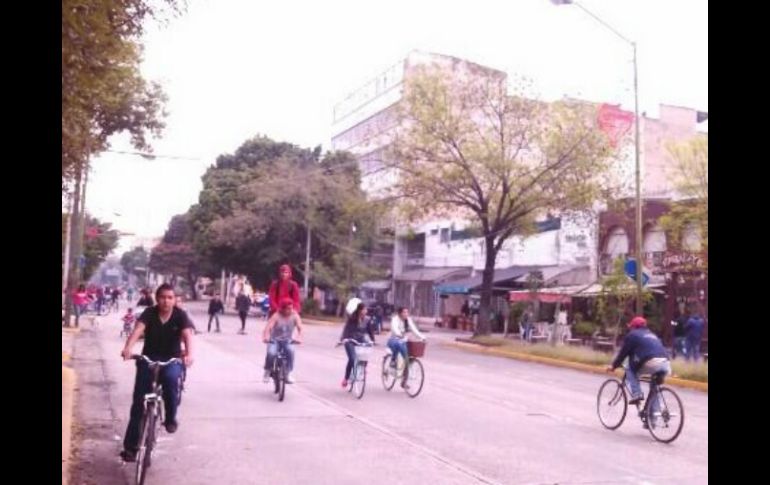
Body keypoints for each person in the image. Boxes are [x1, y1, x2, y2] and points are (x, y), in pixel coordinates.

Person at [119, 284, 195, 462]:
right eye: (163, 297)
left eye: (170, 297)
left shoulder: (180, 315)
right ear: (157, 298)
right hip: (148, 359)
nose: (166, 301)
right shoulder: (149, 313)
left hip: (172, 360)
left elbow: (187, 336)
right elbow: (138, 330)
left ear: (174, 299)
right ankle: (130, 448)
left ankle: (170, 419)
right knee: (138, 402)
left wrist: (189, 355)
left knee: (170, 380)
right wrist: (127, 349)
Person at [606, 316, 670, 406]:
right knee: (654, 387)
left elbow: (623, 353)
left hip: (652, 362)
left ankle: (637, 393)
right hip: (665, 363)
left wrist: (614, 366)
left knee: (629, 369)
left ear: (634, 327)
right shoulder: (652, 334)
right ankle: (653, 416)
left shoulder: (632, 335)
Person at [262, 298, 304, 384]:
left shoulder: (294, 315)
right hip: (275, 340)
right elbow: (268, 327)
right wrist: (266, 337)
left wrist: (299, 337)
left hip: (287, 340)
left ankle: (287, 374)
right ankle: (267, 371)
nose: (290, 310)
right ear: (282, 308)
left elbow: (300, 328)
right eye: (288, 308)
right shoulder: (276, 315)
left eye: (291, 308)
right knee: (271, 353)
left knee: (291, 351)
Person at [338, 302, 376, 388]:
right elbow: (346, 329)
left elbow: (370, 331)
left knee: (366, 353)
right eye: (364, 309)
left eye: (366, 309)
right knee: (352, 359)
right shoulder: (352, 318)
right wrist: (344, 339)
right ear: (359, 310)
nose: (366, 311)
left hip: (360, 339)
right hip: (350, 339)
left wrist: (373, 340)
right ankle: (346, 378)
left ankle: (363, 367)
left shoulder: (367, 319)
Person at [387, 307, 426, 389]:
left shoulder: (408, 320)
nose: (406, 314)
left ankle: (404, 381)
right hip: (394, 339)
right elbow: (395, 329)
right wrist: (399, 335)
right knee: (398, 346)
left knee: (408, 359)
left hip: (403, 340)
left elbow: (414, 329)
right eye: (404, 312)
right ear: (400, 313)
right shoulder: (395, 319)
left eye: (407, 312)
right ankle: (393, 361)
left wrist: (422, 336)